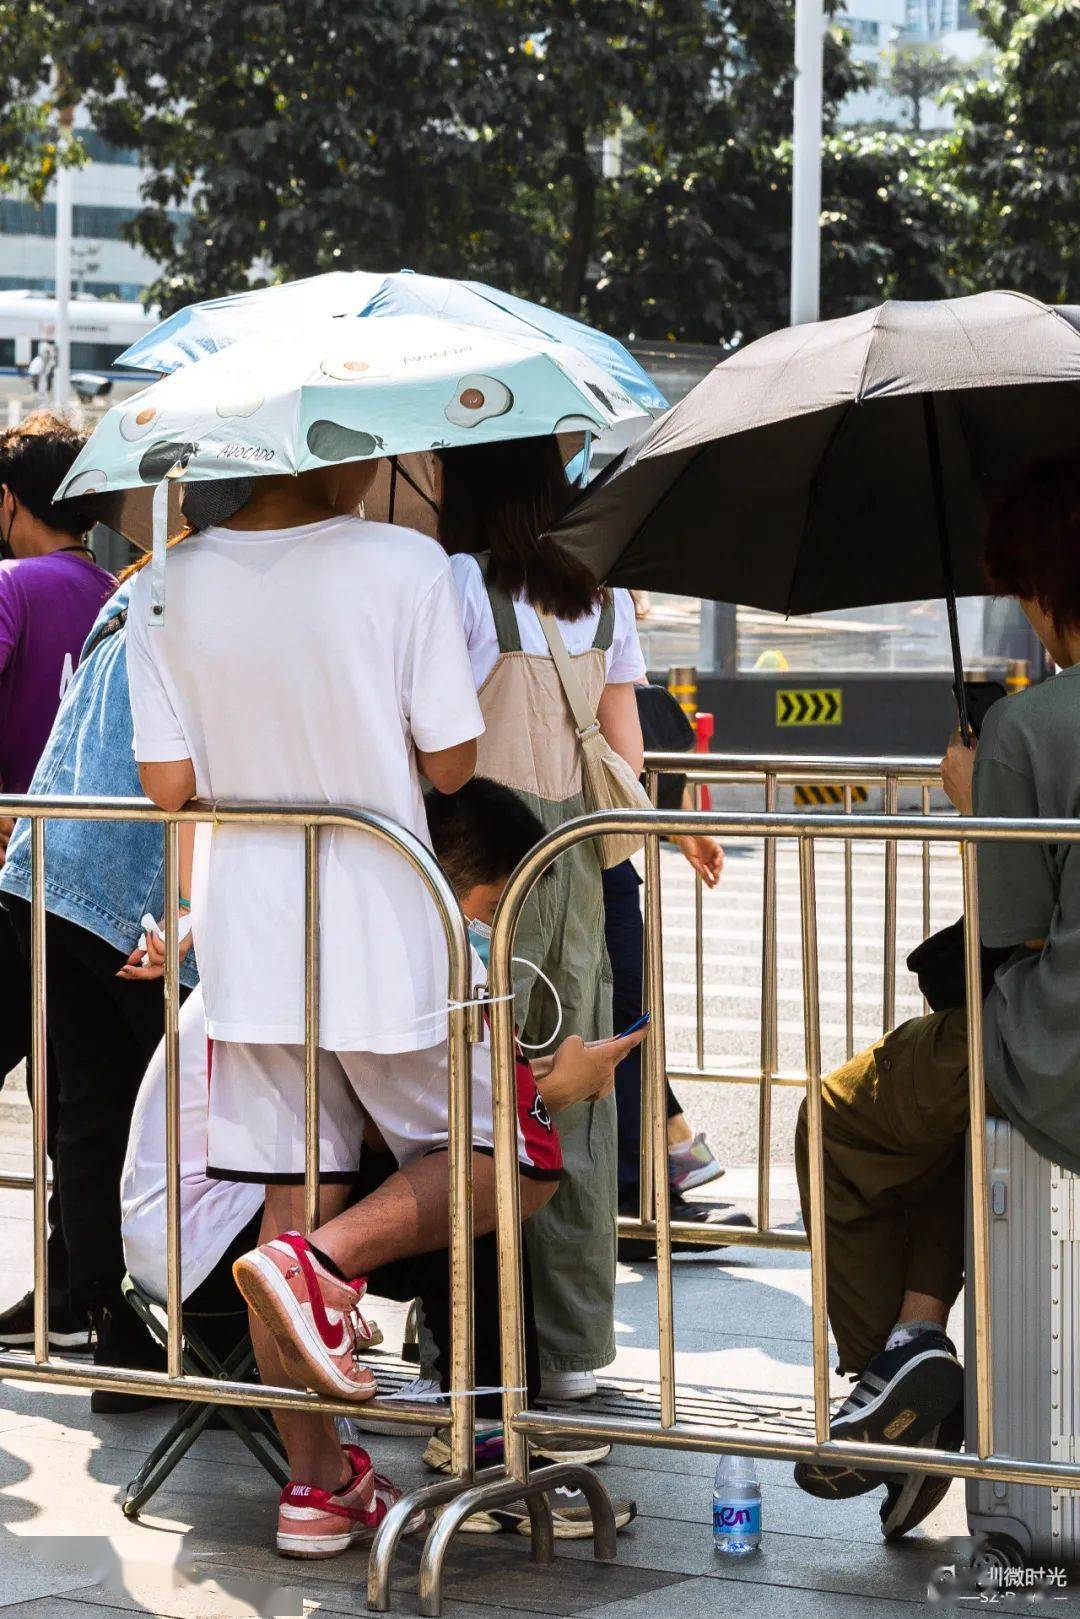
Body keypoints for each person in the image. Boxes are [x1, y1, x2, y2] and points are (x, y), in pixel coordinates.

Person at [122, 778, 645, 1549]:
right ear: (470, 889)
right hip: (219, 1248)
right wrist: (556, 1088)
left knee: (455, 1167)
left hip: (175, 1243)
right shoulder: (404, 950)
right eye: (496, 910)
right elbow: (470, 1131)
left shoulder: (312, 924)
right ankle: (493, 1444)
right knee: (486, 1179)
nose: (493, 930)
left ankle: (328, 1478)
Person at [792, 455, 1080, 1541]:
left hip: (1050, 1041)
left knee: (842, 1117)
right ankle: (920, 1346)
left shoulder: (1033, 727)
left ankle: (900, 1379)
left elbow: (1014, 932)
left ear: (1047, 587)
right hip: (1028, 1054)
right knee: (954, 1118)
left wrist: (975, 796)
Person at [436, 434, 646, 1401]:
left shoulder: (454, 586)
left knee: (478, 1089)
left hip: (479, 860)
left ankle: (474, 1341)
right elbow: (627, 757)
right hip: (574, 862)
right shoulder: (607, 590)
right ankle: (565, 1345)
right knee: (573, 1088)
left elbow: (433, 744)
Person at [0, 577, 199, 1394]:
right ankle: (173, 1331)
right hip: (135, 887)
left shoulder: (146, 586)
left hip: (52, 862)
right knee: (185, 1119)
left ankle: (117, 1336)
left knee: (92, 1112)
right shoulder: (220, 597)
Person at [0, 410, 114, 1352]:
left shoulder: (13, 586)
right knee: (74, 1093)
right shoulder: (119, 592)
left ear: (8, 501)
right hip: (94, 880)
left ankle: (70, 1290)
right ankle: (78, 1284)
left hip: (16, 868)